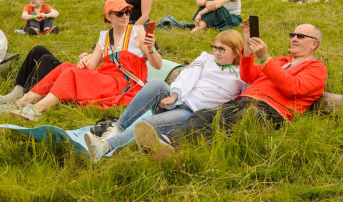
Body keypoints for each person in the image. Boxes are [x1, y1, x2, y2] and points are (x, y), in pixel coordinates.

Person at [133, 21, 327, 155]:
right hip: (244, 100)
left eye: (300, 36)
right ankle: (165, 143)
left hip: (272, 111)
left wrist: (266, 59)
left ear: (314, 43)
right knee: (204, 116)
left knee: (230, 124)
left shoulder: (316, 68)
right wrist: (249, 49)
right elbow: (248, 75)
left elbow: (292, 87)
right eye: (292, 34)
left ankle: (174, 150)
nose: (293, 38)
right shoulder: (281, 61)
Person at [83, 30, 246, 159]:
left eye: (222, 49)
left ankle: (106, 147)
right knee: (157, 84)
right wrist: (174, 96)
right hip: (179, 100)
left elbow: (247, 98)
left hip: (191, 113)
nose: (216, 52)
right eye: (214, 47)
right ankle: (118, 127)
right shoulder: (206, 58)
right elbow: (189, 74)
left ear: (236, 51)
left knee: (146, 123)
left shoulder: (242, 74)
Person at [11, 0, 162, 120]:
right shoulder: (105, 36)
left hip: (124, 83)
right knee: (66, 66)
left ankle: (37, 109)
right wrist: (85, 59)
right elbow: (92, 66)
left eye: (127, 12)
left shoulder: (137, 32)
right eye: (120, 13)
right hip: (106, 78)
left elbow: (158, 65)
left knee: (71, 73)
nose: (125, 16)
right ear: (108, 16)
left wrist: (151, 49)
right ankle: (24, 101)